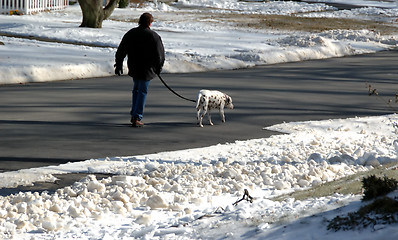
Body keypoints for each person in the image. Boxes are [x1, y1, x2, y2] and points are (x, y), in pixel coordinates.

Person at [115, 12, 165, 127]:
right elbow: (160, 55)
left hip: (134, 67)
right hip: (147, 69)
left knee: (136, 90)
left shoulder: (131, 33)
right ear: (150, 23)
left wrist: (118, 64)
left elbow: (121, 50)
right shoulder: (154, 36)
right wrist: (158, 67)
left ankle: (134, 114)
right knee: (142, 91)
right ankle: (137, 116)